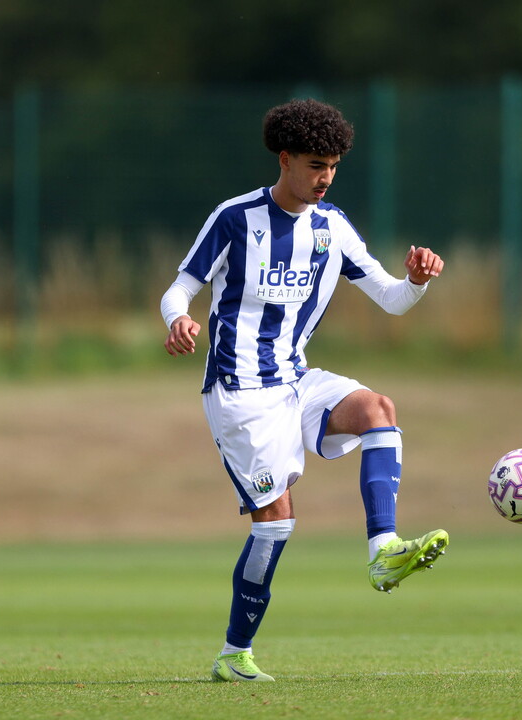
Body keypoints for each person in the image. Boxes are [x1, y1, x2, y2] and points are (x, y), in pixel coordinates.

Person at [160, 98, 448, 683]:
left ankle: (383, 551)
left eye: (335, 166)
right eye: (316, 165)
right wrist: (177, 321)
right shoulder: (236, 219)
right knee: (276, 523)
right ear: (285, 159)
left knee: (378, 409)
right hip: (239, 394)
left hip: (295, 379)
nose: (326, 178)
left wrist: (416, 282)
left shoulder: (332, 227)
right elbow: (179, 289)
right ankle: (234, 652)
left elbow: (391, 299)